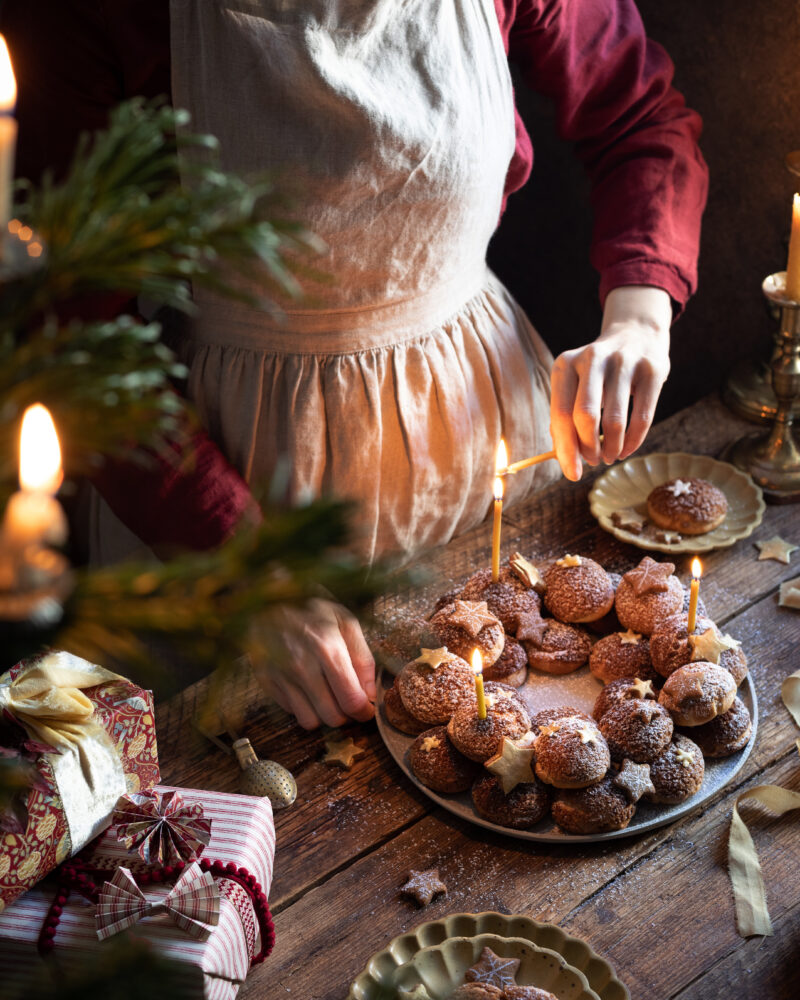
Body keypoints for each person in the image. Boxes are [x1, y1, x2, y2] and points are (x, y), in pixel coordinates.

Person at [3, 0, 707, 730]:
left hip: (483, 437)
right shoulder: (94, 20)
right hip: (222, 484)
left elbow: (638, 117)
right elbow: (80, 344)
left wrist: (639, 317)